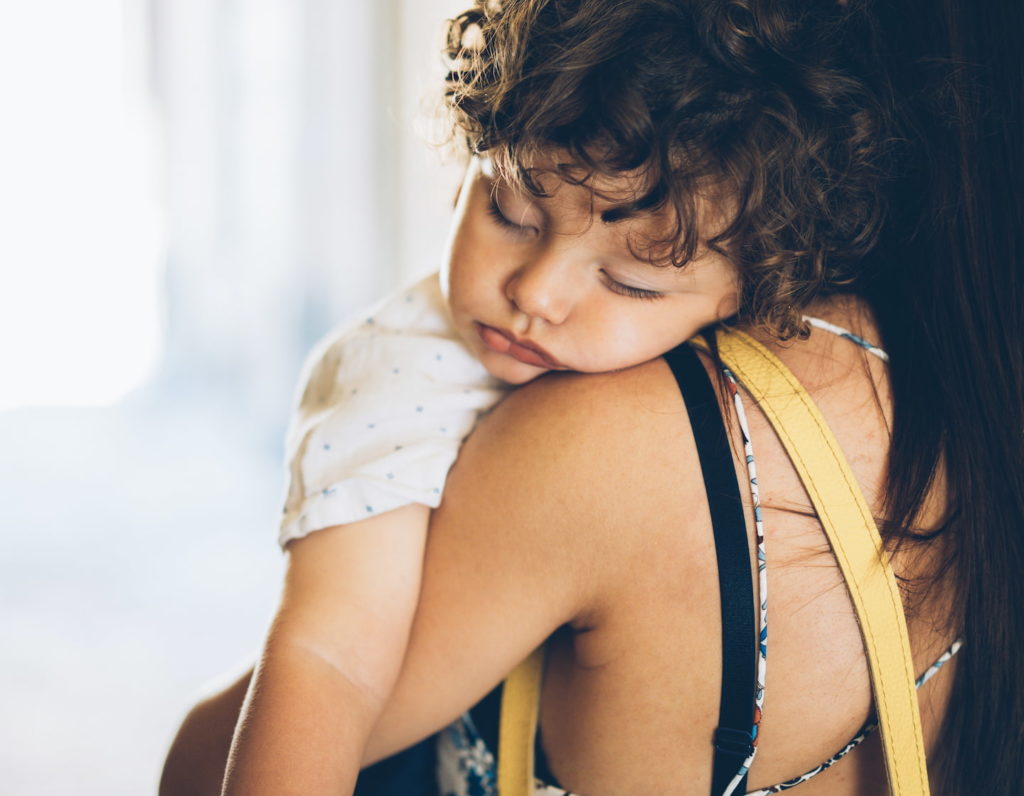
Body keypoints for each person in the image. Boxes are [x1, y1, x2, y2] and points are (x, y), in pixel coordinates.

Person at [161, 1, 1023, 794]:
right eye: (509, 209)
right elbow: (324, 664)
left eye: (631, 282)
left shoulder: (647, 408)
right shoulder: (398, 376)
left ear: (754, 294)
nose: (536, 292)